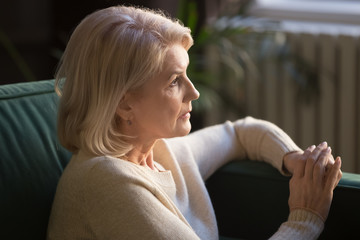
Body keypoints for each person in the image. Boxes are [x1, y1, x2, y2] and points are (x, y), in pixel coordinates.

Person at [47, 5, 342, 240]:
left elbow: (241, 133)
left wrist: (293, 160)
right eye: (175, 81)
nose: (194, 92)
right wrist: (305, 218)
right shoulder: (106, 181)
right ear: (125, 103)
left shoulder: (162, 152)